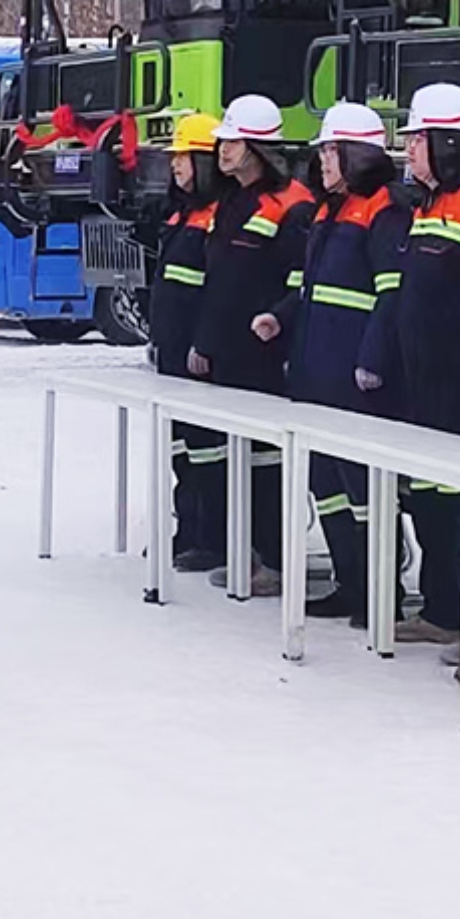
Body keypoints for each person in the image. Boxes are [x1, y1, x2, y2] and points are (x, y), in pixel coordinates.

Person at [359, 82, 460, 646]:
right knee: (431, 499)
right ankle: (442, 609)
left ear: (448, 143)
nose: (408, 151)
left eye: (417, 140)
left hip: (457, 379)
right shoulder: (429, 204)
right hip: (421, 379)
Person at [270, 101, 398, 623]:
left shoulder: (385, 209)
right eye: (322, 150)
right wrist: (280, 319)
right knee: (326, 484)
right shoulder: (329, 210)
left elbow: (391, 295)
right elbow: (308, 286)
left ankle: (378, 589)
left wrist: (372, 360)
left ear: (359, 156)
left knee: (363, 487)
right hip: (315, 368)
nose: (323, 160)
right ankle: (350, 580)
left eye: (332, 150)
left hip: (352, 374)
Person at [188, 94, 308, 587]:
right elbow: (221, 283)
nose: (222, 150)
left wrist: (277, 319)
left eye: (232, 142)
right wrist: (205, 342)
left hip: (265, 352)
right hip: (229, 352)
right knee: (239, 457)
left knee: (265, 463)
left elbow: (301, 278)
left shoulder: (292, 205)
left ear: (257, 147)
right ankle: (253, 553)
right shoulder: (233, 202)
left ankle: (278, 563)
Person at [141, 111, 229, 574]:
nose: (176, 167)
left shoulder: (217, 215)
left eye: (185, 158)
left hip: (197, 356)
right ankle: (188, 531)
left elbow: (215, 289)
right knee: (181, 451)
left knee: (206, 452)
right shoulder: (183, 212)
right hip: (172, 353)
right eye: (175, 158)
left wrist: (202, 343)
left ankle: (211, 537)